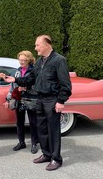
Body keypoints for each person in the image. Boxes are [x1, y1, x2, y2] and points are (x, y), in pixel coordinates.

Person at [5, 35, 72, 171]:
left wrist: (61, 101)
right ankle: (46, 154)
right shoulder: (40, 62)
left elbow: (66, 84)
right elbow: (30, 79)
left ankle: (56, 159)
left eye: (37, 45)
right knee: (41, 128)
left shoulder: (59, 60)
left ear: (47, 45)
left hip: (52, 99)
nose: (35, 48)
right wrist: (15, 80)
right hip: (40, 99)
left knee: (53, 130)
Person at [5, 51, 39, 154]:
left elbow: (37, 87)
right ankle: (21, 142)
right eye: (20, 60)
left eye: (24, 60)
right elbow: (12, 87)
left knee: (33, 122)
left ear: (29, 60)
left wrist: (26, 88)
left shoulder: (34, 71)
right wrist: (8, 99)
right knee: (19, 122)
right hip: (19, 99)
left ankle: (34, 144)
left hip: (31, 99)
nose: (21, 62)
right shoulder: (17, 71)